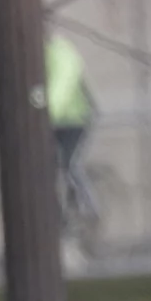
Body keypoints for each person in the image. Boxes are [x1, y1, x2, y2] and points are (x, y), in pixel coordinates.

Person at [45, 33, 98, 231]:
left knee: (69, 164)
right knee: (46, 167)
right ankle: (60, 217)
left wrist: (45, 111)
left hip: (74, 119)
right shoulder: (44, 52)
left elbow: (60, 87)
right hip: (54, 120)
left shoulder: (59, 53)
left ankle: (89, 209)